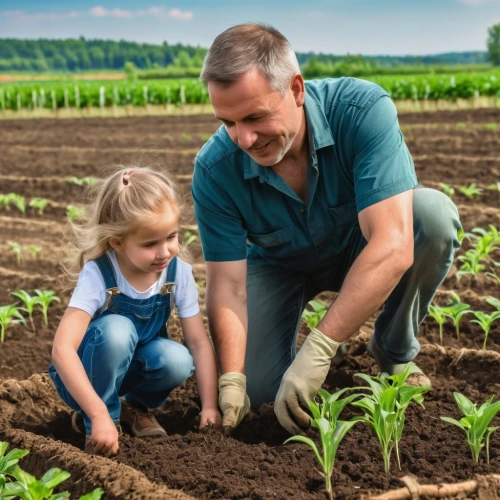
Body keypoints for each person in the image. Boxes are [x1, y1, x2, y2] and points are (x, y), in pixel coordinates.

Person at [192, 23, 462, 435]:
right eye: (227, 122)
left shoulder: (360, 110)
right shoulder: (214, 169)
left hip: (362, 246)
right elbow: (227, 286)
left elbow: (392, 243)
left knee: (432, 216)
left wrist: (320, 346)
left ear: (296, 90)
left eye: (255, 117)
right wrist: (231, 377)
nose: (243, 138)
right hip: (281, 265)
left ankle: (392, 350)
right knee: (265, 394)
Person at [49, 166, 221, 457]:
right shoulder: (99, 274)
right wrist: (98, 413)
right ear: (118, 242)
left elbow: (198, 343)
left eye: (171, 237)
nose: (165, 251)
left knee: (178, 359)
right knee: (116, 330)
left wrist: (209, 406)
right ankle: (100, 418)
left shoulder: (177, 273)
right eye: (150, 243)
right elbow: (62, 349)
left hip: (133, 370)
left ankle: (133, 406)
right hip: (86, 376)